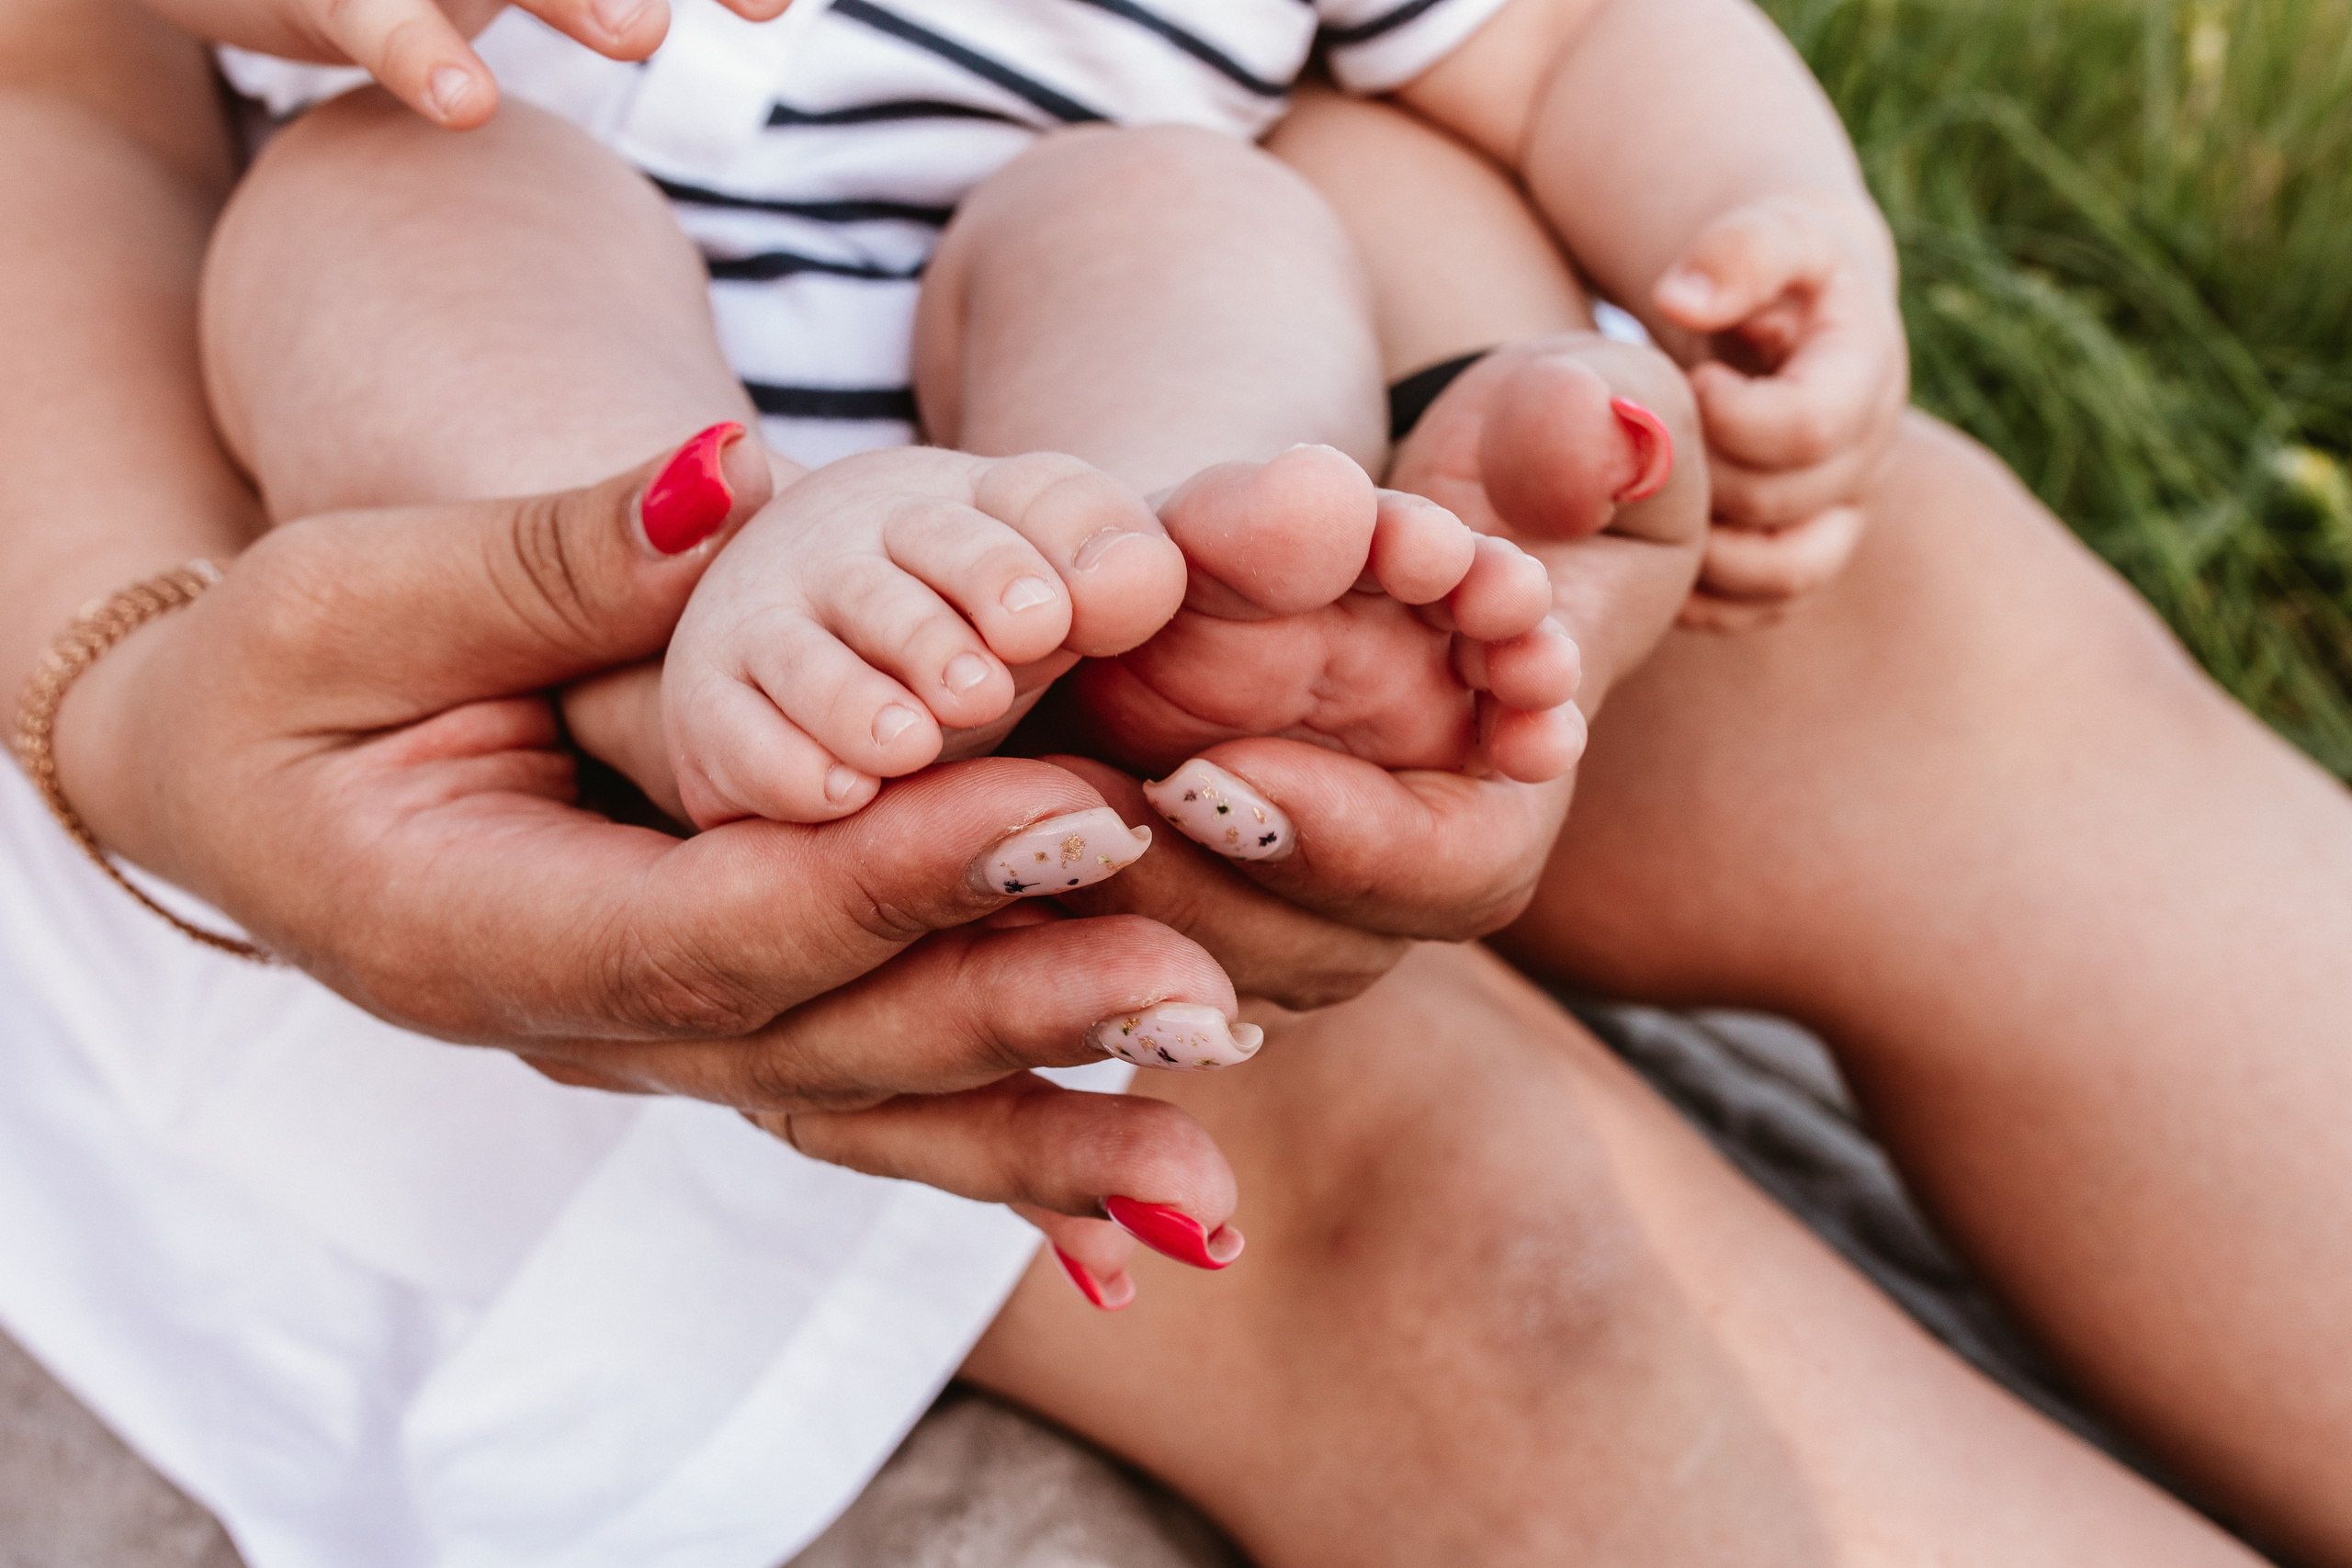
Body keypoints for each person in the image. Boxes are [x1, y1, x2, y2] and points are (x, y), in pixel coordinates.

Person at [6, 5, 2347, 1568]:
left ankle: (1181, 575)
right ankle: (689, 594)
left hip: (1081, 311)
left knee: (1183, 220)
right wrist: (126, 692)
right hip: (410, 409)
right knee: (390, 199)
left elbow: (1570, 29)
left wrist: (1760, 226)